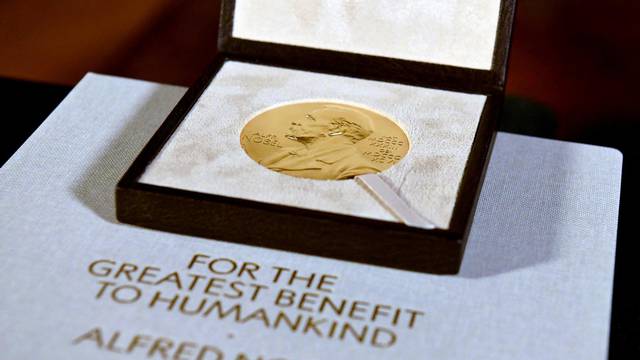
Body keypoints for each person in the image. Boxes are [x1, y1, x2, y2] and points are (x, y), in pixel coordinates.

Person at [261, 104, 383, 180]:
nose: (296, 122)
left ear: (336, 129)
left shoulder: (356, 169)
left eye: (311, 119)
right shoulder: (285, 153)